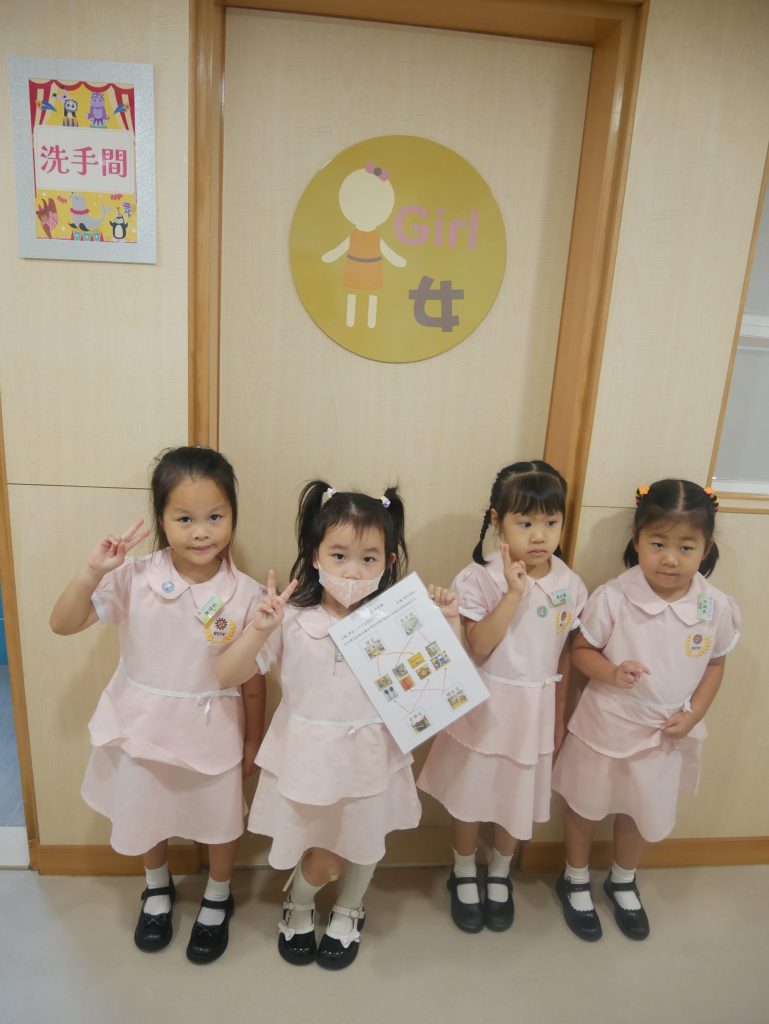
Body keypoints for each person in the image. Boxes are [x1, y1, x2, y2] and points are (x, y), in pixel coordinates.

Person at [218, 481, 452, 970]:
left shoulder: (397, 619)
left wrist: (446, 627)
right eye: (339, 555)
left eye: (369, 559)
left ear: (389, 562)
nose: (352, 570)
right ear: (315, 555)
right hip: (308, 755)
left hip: (372, 753)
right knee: (321, 850)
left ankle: (349, 908)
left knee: (366, 837)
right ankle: (299, 901)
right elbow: (228, 674)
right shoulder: (291, 617)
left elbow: (437, 691)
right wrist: (259, 628)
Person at [50, 446, 265, 964]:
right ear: (161, 519)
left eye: (215, 517)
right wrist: (92, 571)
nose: (201, 532)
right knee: (146, 810)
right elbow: (63, 623)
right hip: (141, 725)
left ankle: (218, 895)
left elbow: (254, 680)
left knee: (220, 818)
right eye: (184, 518)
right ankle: (156, 886)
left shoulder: (247, 593)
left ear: (233, 515)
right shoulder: (134, 575)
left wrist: (254, 737)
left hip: (212, 729)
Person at [552, 480, 740, 942]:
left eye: (685, 547)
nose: (670, 559)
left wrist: (694, 714)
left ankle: (622, 879)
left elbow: (716, 664)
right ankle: (574, 878)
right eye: (658, 544)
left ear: (706, 549)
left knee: (640, 809)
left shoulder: (714, 606)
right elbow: (581, 651)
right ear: (637, 541)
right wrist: (612, 671)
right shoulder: (614, 597)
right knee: (585, 805)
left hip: (665, 732)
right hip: (606, 725)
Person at [418, 460, 587, 933]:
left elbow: (564, 654)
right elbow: (478, 646)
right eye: (525, 523)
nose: (540, 535)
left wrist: (559, 716)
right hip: (486, 704)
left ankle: (499, 872)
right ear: (498, 521)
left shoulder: (570, 584)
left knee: (516, 795)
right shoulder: (480, 577)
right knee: (470, 793)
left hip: (534, 711)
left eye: (551, 522)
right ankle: (462, 869)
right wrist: (513, 594)